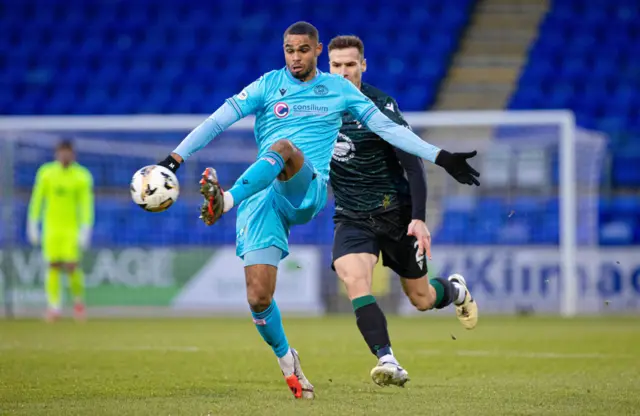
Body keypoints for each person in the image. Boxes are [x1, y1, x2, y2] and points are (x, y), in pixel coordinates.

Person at [156, 21, 480, 399]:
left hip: (310, 189)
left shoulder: (340, 91)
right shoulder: (266, 85)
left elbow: (392, 133)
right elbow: (218, 120)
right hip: (266, 193)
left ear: (317, 51)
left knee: (283, 148)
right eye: (289, 50)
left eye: (303, 50)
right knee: (259, 297)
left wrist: (441, 157)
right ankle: (289, 360)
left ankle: (224, 201)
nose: (296, 57)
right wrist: (175, 159)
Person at [327, 35, 478, 388]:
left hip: (396, 215)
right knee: (355, 280)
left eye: (351, 64)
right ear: (328, 68)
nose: (344, 72)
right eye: (337, 65)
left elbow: (413, 166)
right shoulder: (318, 107)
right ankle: (387, 359)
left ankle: (454, 291)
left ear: (363, 65)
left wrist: (419, 217)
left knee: (422, 298)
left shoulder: (381, 106)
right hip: (351, 217)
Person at [27, 140, 94, 322]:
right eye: (62, 152)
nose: (65, 156)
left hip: (71, 228)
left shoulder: (82, 176)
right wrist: (33, 223)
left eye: (68, 153)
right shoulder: (46, 173)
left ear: (73, 154)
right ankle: (54, 307)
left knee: (72, 266)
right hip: (51, 228)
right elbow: (37, 199)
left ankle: (78, 303)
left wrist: (86, 227)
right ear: (56, 154)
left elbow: (86, 204)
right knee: (53, 265)